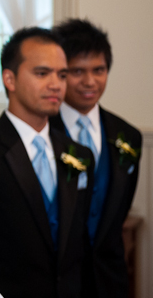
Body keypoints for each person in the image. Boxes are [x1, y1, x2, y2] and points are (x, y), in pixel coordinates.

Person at [0, 27, 94, 298]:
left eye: (62, 74)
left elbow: (80, 243)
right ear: (10, 79)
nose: (56, 84)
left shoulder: (80, 155)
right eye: (42, 73)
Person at [50, 18, 142, 298]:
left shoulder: (128, 136)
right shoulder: (41, 133)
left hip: (109, 280)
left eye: (99, 70)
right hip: (55, 282)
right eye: (78, 71)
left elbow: (118, 212)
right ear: (61, 73)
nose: (90, 82)